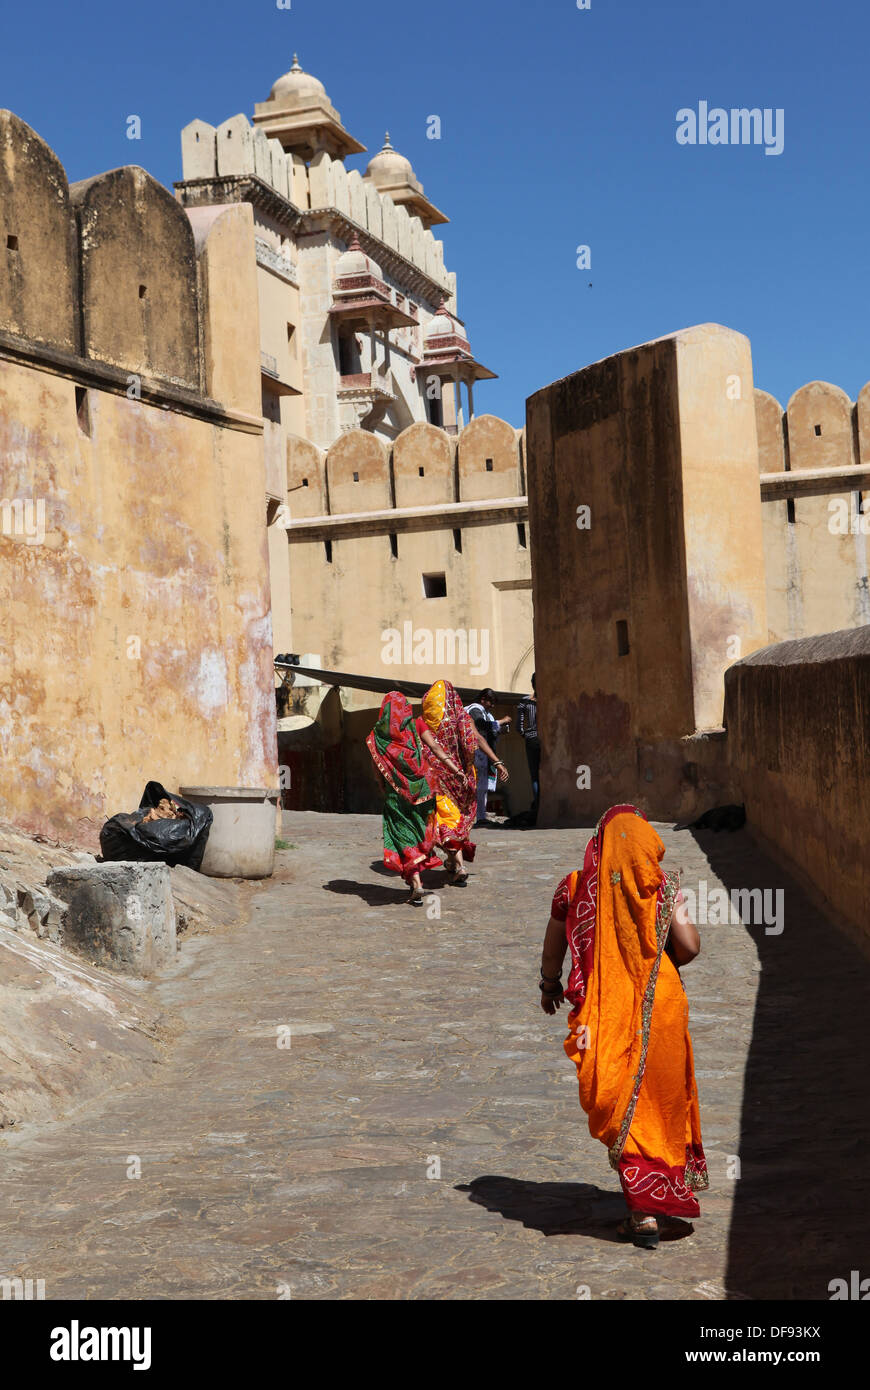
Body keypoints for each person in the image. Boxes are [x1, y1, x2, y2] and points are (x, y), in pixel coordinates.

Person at [538, 803, 707, 1248]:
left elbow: (554, 944)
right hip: (662, 1006)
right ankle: (658, 1200)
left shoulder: (575, 887)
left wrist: (549, 985)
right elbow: (689, 947)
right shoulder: (661, 888)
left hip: (603, 1011)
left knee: (623, 1101)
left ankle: (642, 1213)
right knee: (661, 1101)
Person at [366, 690, 463, 906]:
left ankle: (417, 883)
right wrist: (454, 769)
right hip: (424, 789)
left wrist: (383, 787)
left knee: (402, 836)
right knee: (422, 832)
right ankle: (450, 865)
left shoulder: (378, 735)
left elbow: (377, 767)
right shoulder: (417, 725)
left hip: (396, 793)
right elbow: (436, 748)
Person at [420, 678, 508, 884]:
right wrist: (497, 762)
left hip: (436, 782)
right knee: (455, 823)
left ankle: (456, 863)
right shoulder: (462, 717)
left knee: (442, 824)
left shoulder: (423, 722)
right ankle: (456, 864)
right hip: (461, 781)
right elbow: (477, 738)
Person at [464, 688, 512, 826]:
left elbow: (488, 730)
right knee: (477, 785)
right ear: (483, 699)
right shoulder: (475, 709)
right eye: (491, 702)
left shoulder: (486, 713)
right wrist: (502, 721)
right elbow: (480, 726)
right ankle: (476, 817)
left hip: (483, 753)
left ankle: (480, 816)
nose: (492, 705)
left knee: (482, 786)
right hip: (475, 752)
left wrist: (500, 730)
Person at [516, 673, 539, 816]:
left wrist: (527, 734)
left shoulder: (524, 702)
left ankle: (538, 805)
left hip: (531, 738)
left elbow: (519, 727)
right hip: (549, 740)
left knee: (535, 775)